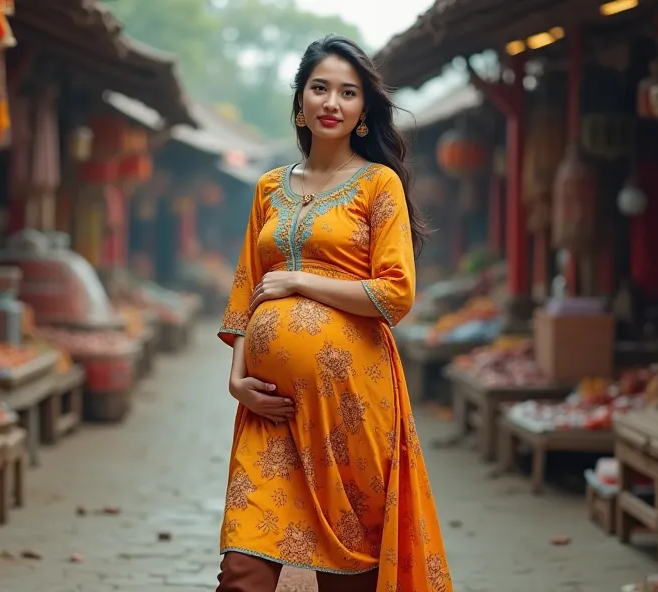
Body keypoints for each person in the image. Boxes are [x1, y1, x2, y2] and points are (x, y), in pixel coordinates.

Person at [216, 35, 454, 592]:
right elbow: (247, 290)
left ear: (363, 111)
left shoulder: (378, 185)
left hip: (350, 408)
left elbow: (395, 293)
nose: (332, 102)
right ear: (300, 101)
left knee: (350, 572)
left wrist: (301, 279)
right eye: (319, 88)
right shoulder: (268, 188)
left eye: (348, 93)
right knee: (242, 573)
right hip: (267, 412)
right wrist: (237, 381)